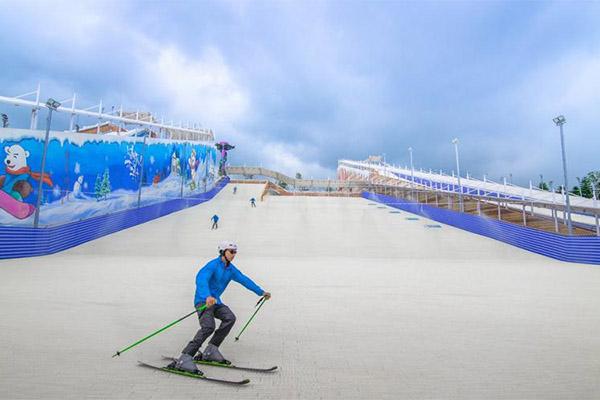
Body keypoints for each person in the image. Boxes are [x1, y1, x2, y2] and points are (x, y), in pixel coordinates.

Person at [174, 241, 271, 373]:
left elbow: (244, 280)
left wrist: (261, 292)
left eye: (235, 252)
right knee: (208, 327)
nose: (234, 254)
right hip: (203, 301)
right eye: (231, 251)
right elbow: (201, 278)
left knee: (230, 318)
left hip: (216, 302)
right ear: (223, 252)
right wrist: (207, 296)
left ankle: (211, 350)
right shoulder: (213, 265)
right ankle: (184, 358)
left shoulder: (231, 269)